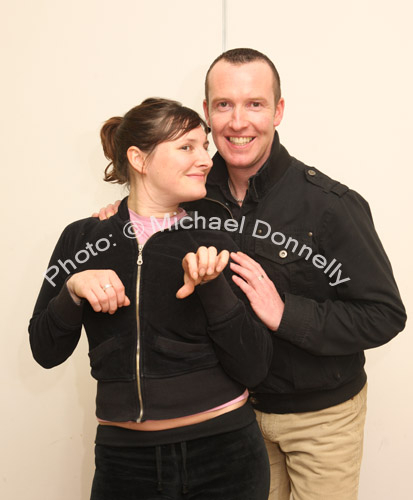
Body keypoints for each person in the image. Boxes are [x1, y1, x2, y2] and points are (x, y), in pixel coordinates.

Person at [97, 49, 407, 500]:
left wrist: (286, 315)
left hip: (319, 418)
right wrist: (117, 218)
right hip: (228, 422)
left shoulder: (330, 204)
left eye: (255, 104)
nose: (238, 121)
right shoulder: (189, 193)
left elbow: (384, 314)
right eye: (224, 105)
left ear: (278, 111)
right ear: (206, 113)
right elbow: (146, 215)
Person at [29, 97, 274, 500]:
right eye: (186, 147)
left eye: (204, 147)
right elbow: (44, 350)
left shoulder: (218, 237)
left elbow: (255, 364)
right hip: (124, 463)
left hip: (225, 454)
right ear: (139, 159)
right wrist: (71, 292)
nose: (205, 160)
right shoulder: (83, 240)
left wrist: (212, 286)